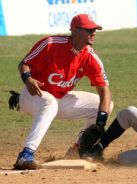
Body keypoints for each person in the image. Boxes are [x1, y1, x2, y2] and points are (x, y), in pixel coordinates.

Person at [11, 14, 113, 170]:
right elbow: (24, 64)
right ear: (75, 31)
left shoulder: (90, 56)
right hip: (33, 96)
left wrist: (100, 123)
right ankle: (26, 154)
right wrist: (27, 78)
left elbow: (105, 91)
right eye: (89, 29)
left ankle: (77, 149)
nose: (93, 33)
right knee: (49, 102)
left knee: (105, 105)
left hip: (60, 99)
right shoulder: (51, 44)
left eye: (95, 29)